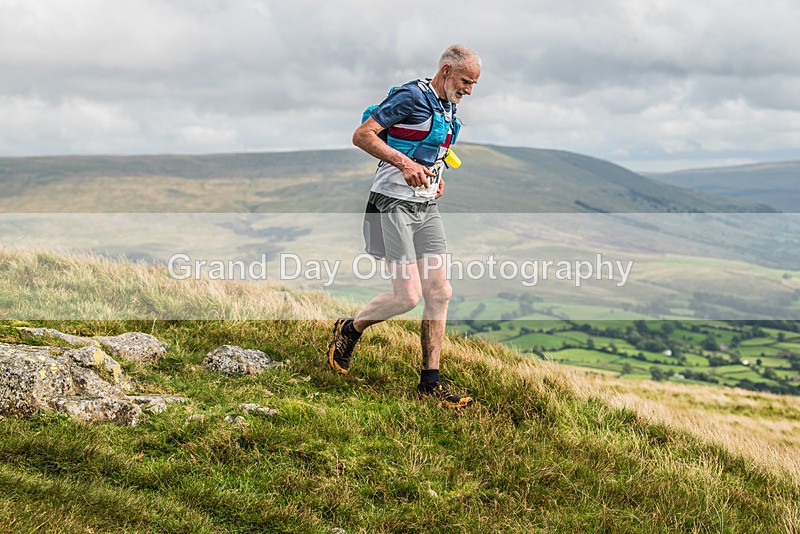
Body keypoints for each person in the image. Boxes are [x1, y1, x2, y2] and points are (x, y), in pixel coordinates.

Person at [327, 44, 481, 409]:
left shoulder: (448, 105)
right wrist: (402, 164)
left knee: (440, 291)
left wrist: (436, 177)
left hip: (425, 204)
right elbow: (363, 134)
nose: (469, 90)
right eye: (465, 81)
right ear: (445, 70)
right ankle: (350, 330)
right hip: (391, 203)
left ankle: (430, 385)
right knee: (407, 296)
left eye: (474, 84)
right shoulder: (410, 96)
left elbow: (431, 149)